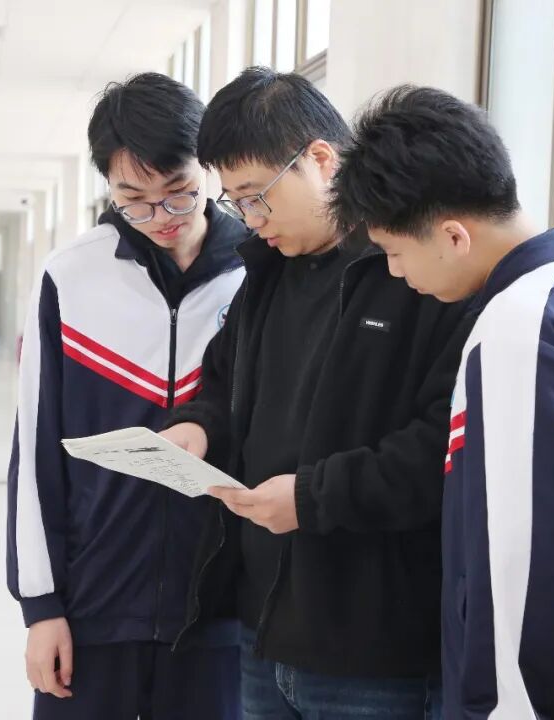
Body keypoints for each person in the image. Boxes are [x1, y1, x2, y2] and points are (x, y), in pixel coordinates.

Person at [329, 84, 554, 719]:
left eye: (394, 252)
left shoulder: (519, 326)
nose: (395, 273)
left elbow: (522, 568)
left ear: (452, 236)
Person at [161, 67, 467, 719]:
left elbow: (440, 447)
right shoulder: (267, 272)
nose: (250, 219)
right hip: (262, 629)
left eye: (257, 197)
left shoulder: (417, 270)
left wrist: (311, 498)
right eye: (236, 203)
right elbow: (223, 382)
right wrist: (198, 426)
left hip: (371, 645)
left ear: (321, 160)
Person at [6, 72, 249, 720]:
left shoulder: (257, 272)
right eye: (133, 200)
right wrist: (41, 606)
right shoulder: (71, 277)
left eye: (179, 193)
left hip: (219, 611)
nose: (160, 218)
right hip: (95, 605)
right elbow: (35, 454)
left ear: (209, 168)